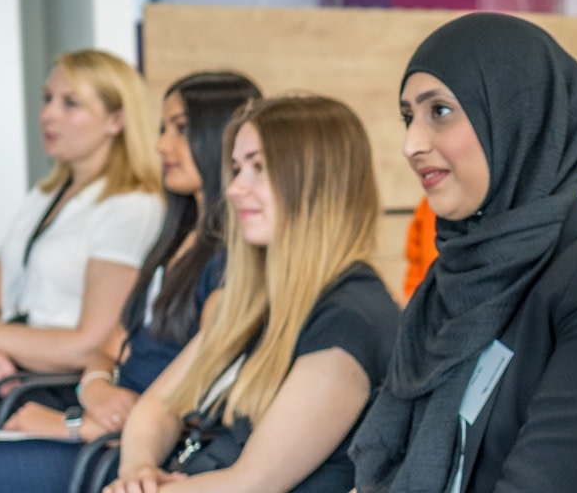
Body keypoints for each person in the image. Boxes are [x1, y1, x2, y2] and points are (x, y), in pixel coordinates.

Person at [0, 72, 261, 493]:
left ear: (223, 139)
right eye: (163, 129)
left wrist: (72, 422)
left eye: (182, 130)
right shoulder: (174, 240)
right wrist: (94, 388)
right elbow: (108, 348)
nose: (162, 145)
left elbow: (199, 390)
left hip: (127, 449)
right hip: (98, 421)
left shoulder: (228, 261)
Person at [350, 12, 577, 493]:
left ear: (517, 119)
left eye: (439, 111)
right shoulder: (453, 280)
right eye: (409, 117)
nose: (411, 144)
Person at [104, 95, 399, 493]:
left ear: (316, 182)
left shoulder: (349, 321)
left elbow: (252, 483)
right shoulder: (250, 298)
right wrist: (137, 470)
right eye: (237, 169)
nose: (235, 189)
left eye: (259, 168)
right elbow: (158, 406)